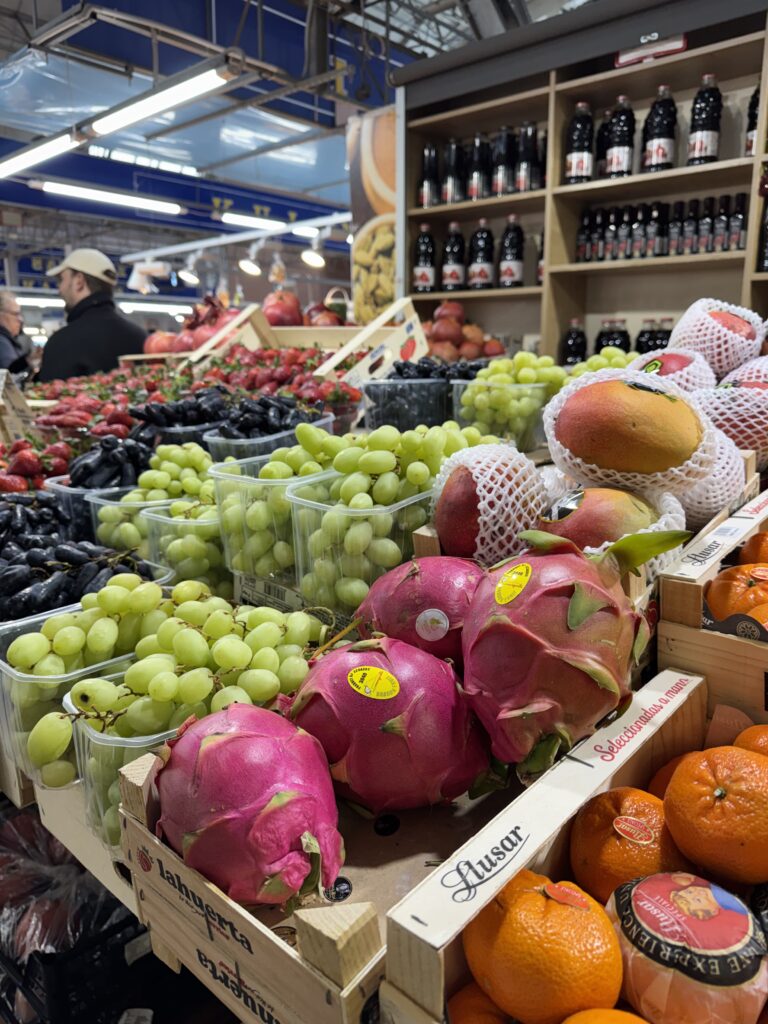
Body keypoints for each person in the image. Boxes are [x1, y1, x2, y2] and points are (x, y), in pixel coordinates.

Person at [37, 249, 146, 381]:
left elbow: (48, 396)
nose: (59, 289)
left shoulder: (62, 342)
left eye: (61, 280)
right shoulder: (141, 337)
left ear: (79, 281)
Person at [0, 290, 33, 373]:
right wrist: (28, 360)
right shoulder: (2, 342)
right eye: (15, 314)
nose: (20, 319)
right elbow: (10, 376)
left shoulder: (8, 340)